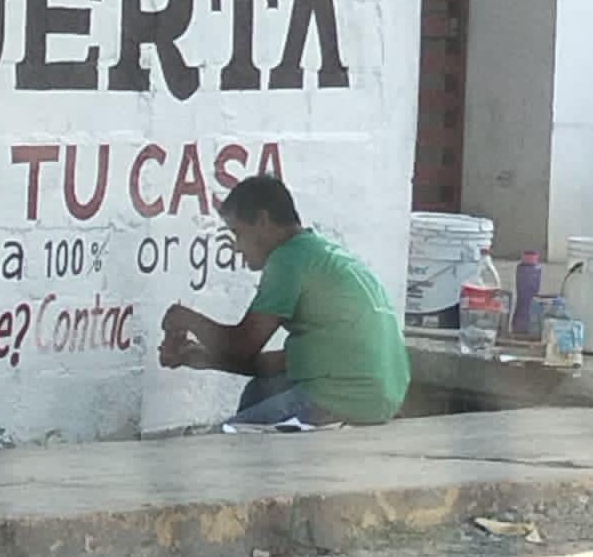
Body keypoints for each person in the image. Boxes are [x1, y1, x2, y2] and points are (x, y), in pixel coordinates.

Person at [159, 174, 410, 430]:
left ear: (263, 221)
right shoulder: (316, 253)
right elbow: (279, 364)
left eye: (238, 232)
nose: (236, 247)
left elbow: (241, 347)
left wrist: (186, 319)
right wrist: (202, 357)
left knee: (219, 446)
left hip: (340, 398)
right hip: (378, 396)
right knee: (259, 390)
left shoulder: (288, 260)